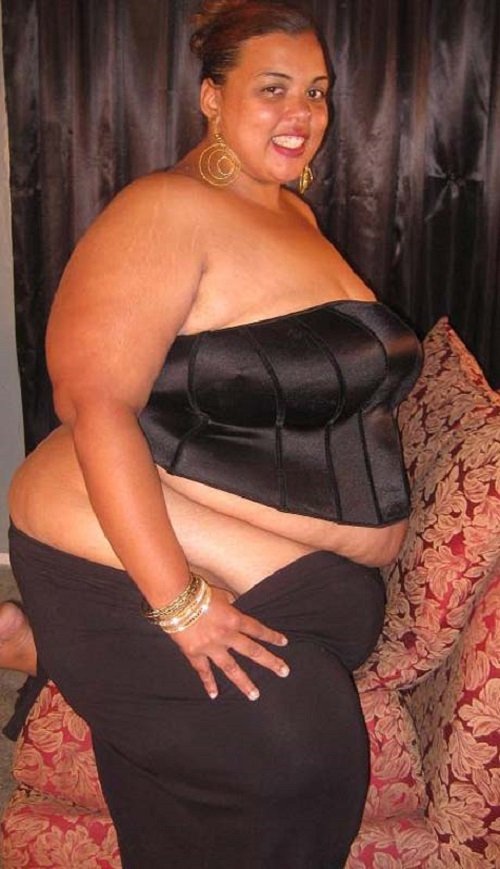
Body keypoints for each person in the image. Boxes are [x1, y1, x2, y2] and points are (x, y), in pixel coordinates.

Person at [1, 1, 422, 866]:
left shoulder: (293, 216)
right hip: (121, 550)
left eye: (317, 91)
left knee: (300, 702)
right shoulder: (166, 208)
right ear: (210, 97)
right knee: (299, 748)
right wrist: (182, 604)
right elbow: (95, 403)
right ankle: (58, 633)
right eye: (273, 89)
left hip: (284, 573)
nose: (303, 113)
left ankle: (39, 644)